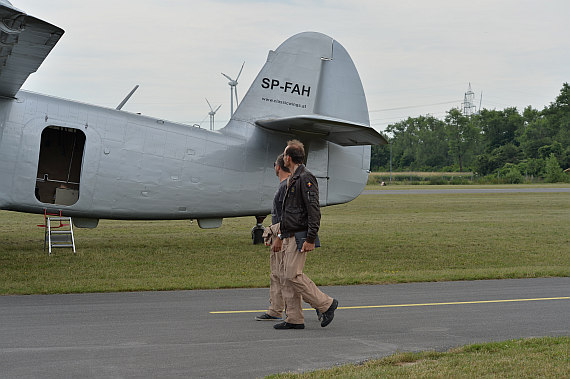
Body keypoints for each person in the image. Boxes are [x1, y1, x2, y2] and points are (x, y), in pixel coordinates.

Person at [272, 140, 338, 330]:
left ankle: (326, 304)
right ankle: (294, 318)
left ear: (288, 158)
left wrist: (310, 238)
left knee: (292, 274)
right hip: (289, 234)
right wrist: (281, 235)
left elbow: (313, 210)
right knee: (286, 276)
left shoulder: (305, 178)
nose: (283, 157)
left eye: (284, 154)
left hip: (300, 236)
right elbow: (288, 212)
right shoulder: (293, 178)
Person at [255, 154, 290, 321]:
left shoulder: (286, 186)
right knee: (276, 274)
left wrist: (280, 237)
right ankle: (275, 309)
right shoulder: (284, 185)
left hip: (283, 235)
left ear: (278, 167)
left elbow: (288, 216)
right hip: (278, 232)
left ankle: (322, 304)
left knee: (292, 276)